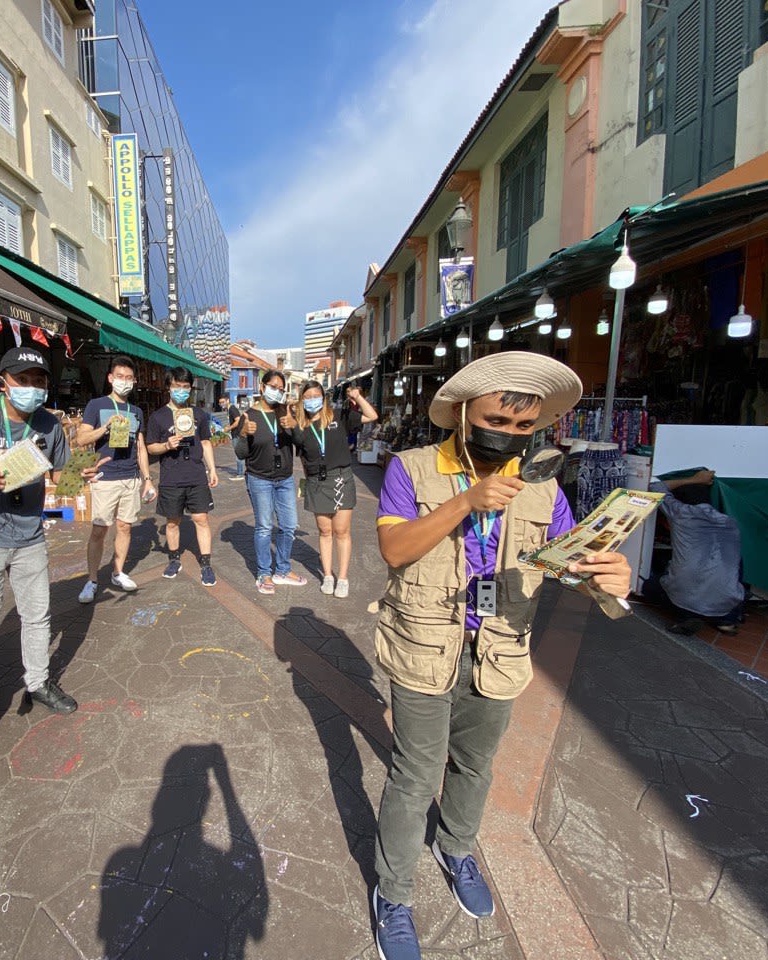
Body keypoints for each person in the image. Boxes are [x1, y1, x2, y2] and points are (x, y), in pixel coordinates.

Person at [368, 353, 634, 960]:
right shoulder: (411, 468)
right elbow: (394, 549)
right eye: (497, 421)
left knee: (475, 766)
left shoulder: (544, 486)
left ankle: (456, 849)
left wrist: (608, 580)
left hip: (502, 650)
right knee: (413, 777)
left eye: (523, 427)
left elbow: (567, 567)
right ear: (462, 414)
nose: (511, 436)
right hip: (422, 648)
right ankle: (395, 894)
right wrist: (467, 502)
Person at [0, 347, 100, 750]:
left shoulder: (48, 424)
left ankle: (38, 682)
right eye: (23, 380)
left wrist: (78, 475)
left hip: (30, 535)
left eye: (39, 380)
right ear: (3, 381)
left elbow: (62, 475)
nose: (32, 388)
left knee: (37, 616)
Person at [76, 356, 155, 604]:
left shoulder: (137, 411)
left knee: (125, 527)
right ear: (110, 378)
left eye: (129, 378)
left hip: (130, 478)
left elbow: (140, 446)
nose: (124, 382)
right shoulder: (96, 405)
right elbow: (81, 439)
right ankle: (91, 580)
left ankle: (118, 572)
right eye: (120, 377)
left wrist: (147, 479)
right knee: (100, 529)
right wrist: (105, 428)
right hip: (105, 478)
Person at [292, 383, 377, 599]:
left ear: (324, 398)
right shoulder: (300, 427)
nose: (313, 399)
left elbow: (371, 416)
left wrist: (358, 397)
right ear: (302, 400)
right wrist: (305, 483)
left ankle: (343, 578)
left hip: (341, 478)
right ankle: (328, 575)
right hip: (316, 481)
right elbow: (303, 458)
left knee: (341, 530)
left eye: (316, 395)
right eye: (308, 396)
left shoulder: (339, 416)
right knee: (324, 531)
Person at [643, 468, 745, 635]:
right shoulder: (730, 523)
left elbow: (654, 487)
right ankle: (726, 621)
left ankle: (687, 616)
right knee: (735, 561)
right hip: (727, 599)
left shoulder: (682, 513)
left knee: (650, 586)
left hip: (686, 596)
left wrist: (693, 479)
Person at [234, 370, 307, 595]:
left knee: (288, 526)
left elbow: (301, 443)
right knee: (264, 527)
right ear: (262, 387)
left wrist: (294, 426)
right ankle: (264, 573)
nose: (277, 391)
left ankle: (283, 570)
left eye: (281, 389)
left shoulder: (285, 412)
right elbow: (240, 453)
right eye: (273, 386)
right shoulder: (248, 416)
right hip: (260, 479)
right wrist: (244, 434)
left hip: (284, 478)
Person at [146, 367, 220, 586]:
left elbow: (205, 442)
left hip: (196, 475)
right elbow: (150, 448)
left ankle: (206, 563)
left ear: (191, 389)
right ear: (169, 387)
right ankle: (174, 558)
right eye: (177, 386)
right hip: (171, 477)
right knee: (172, 521)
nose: (181, 390)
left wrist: (212, 469)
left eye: (185, 386)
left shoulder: (198, 415)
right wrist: (166, 445)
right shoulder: (158, 417)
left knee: (201, 519)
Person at [219, 395, 245, 480]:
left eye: (223, 402)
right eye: (220, 403)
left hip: (237, 434)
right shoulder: (229, 409)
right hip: (236, 433)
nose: (221, 404)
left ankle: (240, 474)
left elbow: (238, 420)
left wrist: (229, 428)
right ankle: (241, 472)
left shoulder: (232, 409)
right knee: (239, 453)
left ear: (227, 400)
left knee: (238, 454)